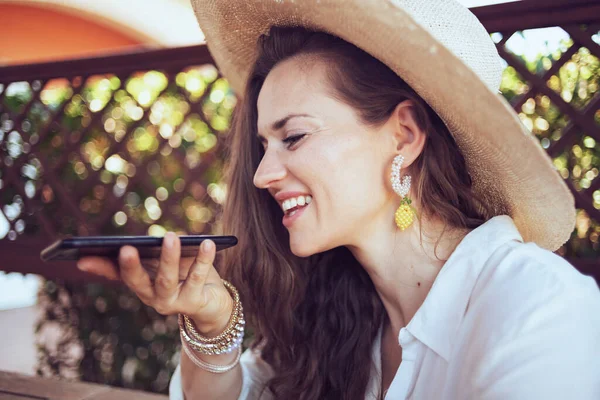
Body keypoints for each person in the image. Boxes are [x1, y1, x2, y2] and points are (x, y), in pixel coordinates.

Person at [77, 0, 600, 399]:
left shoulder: (538, 308)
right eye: (263, 146)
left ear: (404, 136)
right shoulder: (339, 310)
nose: (262, 175)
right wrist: (214, 324)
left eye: (295, 137)